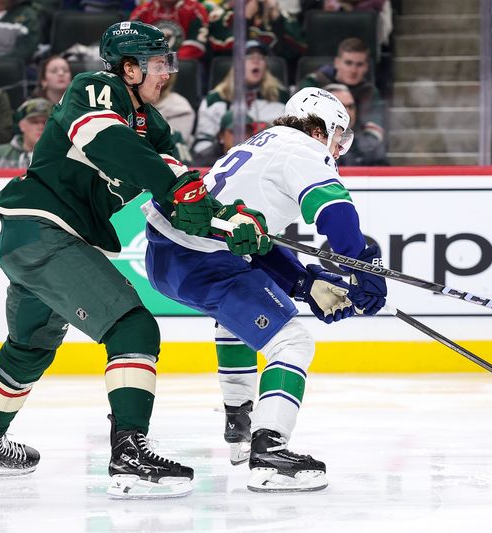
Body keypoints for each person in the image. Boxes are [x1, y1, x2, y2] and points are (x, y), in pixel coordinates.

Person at [0, 21, 265, 499]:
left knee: (29, 347)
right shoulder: (94, 88)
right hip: (44, 229)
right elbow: (108, 144)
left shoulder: (156, 126)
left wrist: (229, 223)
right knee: (133, 328)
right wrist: (180, 190)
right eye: (159, 63)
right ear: (128, 68)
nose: (167, 72)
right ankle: (128, 455)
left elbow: (182, 195)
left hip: (40, 241)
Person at [142, 87, 388, 492]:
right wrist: (362, 265)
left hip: (170, 255)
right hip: (205, 261)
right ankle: (270, 449)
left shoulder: (262, 144)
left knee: (235, 317)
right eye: (337, 134)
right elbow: (336, 214)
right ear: (317, 126)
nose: (338, 148)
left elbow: (254, 244)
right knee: (292, 342)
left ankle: (240, 421)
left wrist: (305, 284)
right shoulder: (304, 149)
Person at [192, 39, 288, 159]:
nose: (256, 60)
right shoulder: (214, 99)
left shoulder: (281, 98)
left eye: (261, 57)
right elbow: (202, 143)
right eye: (249, 56)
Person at [298, 37, 384, 145]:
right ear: (337, 62)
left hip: (357, 150)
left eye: (359, 64)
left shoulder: (369, 92)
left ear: (366, 67)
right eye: (348, 63)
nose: (353, 70)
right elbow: (300, 121)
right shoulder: (313, 84)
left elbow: (374, 131)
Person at [205, 0, 305, 61]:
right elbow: (227, 54)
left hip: (273, 74)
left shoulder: (281, 18)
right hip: (237, 75)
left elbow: (292, 54)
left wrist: (277, 21)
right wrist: (245, 20)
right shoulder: (224, 16)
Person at [325, 83, 386, 166]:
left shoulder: (371, 145)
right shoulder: (310, 145)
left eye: (350, 107)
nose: (347, 112)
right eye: (341, 106)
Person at [0, 97, 51, 168]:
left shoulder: (61, 157)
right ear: (22, 125)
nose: (41, 127)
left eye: (46, 122)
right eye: (34, 122)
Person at [129, 0, 209, 61]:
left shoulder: (195, 9)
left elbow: (196, 46)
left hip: (182, 66)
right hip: (149, 64)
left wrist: (165, 60)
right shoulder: (142, 11)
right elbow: (131, 44)